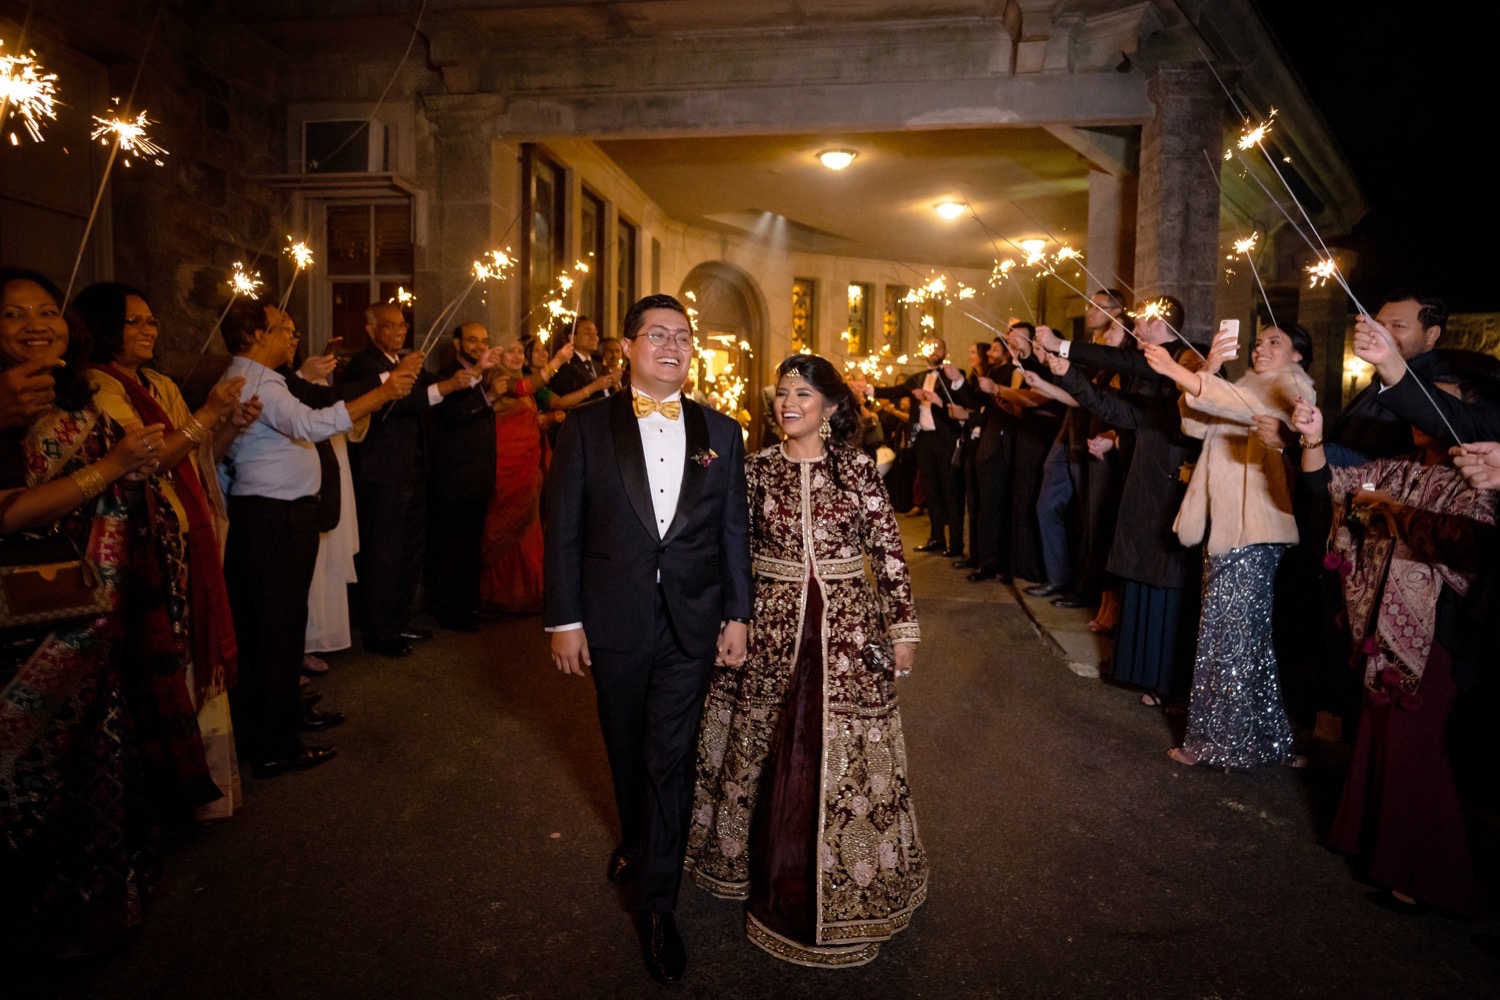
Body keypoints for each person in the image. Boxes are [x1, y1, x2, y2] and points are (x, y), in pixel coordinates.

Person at [687, 353, 926, 969]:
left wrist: (901, 626)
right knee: (768, 745)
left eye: (802, 393)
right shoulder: (756, 469)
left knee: (837, 753)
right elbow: (730, 551)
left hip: (847, 632)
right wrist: (728, 618)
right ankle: (754, 869)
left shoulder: (857, 470)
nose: (788, 403)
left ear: (831, 406)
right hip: (768, 626)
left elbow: (888, 549)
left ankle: (852, 889)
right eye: (781, 392)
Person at [544, 294, 751, 983]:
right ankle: (636, 838)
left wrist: (738, 614)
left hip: (691, 622)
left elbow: (732, 534)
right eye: (657, 335)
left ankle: (658, 904)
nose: (673, 346)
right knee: (626, 745)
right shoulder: (585, 430)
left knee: (671, 757)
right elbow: (565, 529)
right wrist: (564, 620)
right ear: (626, 348)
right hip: (613, 619)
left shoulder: (723, 430)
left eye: (684, 337)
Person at [0, 267, 187, 955]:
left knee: (93, 761)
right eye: (15, 316)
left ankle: (96, 902)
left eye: (46, 311)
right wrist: (103, 473)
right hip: (21, 622)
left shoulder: (81, 397)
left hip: (91, 611)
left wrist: (206, 422)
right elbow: (11, 511)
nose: (36, 325)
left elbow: (144, 467)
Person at [1292, 389, 1496, 915]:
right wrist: (1312, 438)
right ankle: (1372, 845)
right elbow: (1329, 491)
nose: (1418, 416)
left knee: (1417, 746)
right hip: (1383, 621)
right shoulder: (1401, 467)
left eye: (1437, 404)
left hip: (1439, 632)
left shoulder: (1479, 479)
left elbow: (1465, 544)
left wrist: (1390, 512)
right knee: (1380, 733)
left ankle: (1432, 877)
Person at [217, 298, 415, 777]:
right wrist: (382, 396)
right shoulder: (255, 380)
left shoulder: (267, 378)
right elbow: (308, 422)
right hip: (272, 519)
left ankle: (277, 723)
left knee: (280, 627)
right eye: (283, 329)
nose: (293, 337)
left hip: (281, 516)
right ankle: (272, 742)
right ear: (254, 336)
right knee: (274, 631)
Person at [73, 281, 249, 817]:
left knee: (197, 662)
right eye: (135, 322)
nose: (150, 330)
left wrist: (226, 425)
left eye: (152, 320)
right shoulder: (99, 389)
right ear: (103, 328)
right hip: (147, 548)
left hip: (183, 537)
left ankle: (208, 784)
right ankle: (175, 787)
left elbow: (194, 458)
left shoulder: (156, 383)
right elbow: (147, 461)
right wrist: (207, 414)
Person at [1141, 325, 1315, 769]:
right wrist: (1209, 370)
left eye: (1275, 342)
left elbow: (1244, 409)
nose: (1261, 347)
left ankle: (1220, 744)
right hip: (1229, 525)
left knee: (1230, 638)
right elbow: (1195, 423)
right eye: (1259, 341)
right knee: (1243, 638)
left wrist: (1186, 376)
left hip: (1254, 526)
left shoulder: (1294, 386)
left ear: (1298, 356)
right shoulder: (1243, 384)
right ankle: (1271, 742)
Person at [1038, 298, 1203, 710]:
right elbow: (1114, 408)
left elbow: (1139, 369)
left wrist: (1065, 347)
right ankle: (1145, 671)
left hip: (1175, 476)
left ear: (1159, 322)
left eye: (1141, 319)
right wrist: (1068, 374)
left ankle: (1171, 681)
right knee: (1141, 567)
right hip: (1144, 467)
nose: (1133, 325)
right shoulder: (1147, 364)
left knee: (1167, 575)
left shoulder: (1188, 355)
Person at [341, 303, 479, 657]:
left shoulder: (401, 362)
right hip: (382, 472)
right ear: (371, 330)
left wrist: (473, 372)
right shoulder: (365, 364)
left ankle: (399, 620)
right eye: (390, 326)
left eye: (402, 325)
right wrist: (447, 386)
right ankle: (379, 630)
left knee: (408, 551)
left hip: (414, 470)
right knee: (383, 553)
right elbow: (397, 402)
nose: (399, 332)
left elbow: (429, 385)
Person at [426, 322, 502, 632]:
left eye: (484, 340)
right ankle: (449, 610)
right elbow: (453, 415)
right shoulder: (445, 375)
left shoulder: (479, 376)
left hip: (477, 476)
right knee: (452, 546)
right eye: (472, 341)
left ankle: (468, 605)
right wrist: (487, 395)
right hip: (454, 477)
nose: (480, 346)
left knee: (471, 546)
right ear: (457, 343)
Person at [861, 337, 965, 557]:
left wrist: (936, 398)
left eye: (939, 346)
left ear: (946, 350)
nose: (935, 350)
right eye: (931, 346)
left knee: (950, 489)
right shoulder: (916, 378)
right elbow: (894, 391)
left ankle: (956, 543)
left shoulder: (953, 375)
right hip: (924, 440)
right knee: (931, 489)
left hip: (945, 438)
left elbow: (960, 401)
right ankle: (936, 537)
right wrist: (868, 388)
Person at [479, 334, 558, 614]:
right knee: (502, 525)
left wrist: (548, 420)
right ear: (497, 355)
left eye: (518, 352)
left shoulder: (520, 383)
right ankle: (495, 595)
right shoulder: (496, 381)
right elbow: (524, 387)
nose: (517, 356)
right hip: (506, 467)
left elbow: (532, 414)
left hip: (528, 466)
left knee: (529, 528)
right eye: (509, 351)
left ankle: (527, 593)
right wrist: (557, 361)